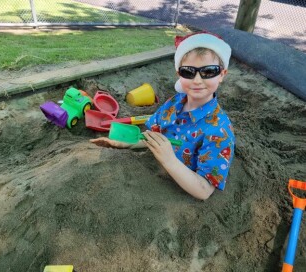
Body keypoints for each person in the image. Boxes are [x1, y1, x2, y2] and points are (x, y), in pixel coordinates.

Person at [90, 31, 235, 200]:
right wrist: (127, 144)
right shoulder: (173, 104)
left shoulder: (219, 131)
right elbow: (153, 137)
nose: (197, 80)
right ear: (179, 75)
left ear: (222, 75)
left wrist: (169, 161)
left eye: (209, 71)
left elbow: (204, 190)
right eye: (188, 72)